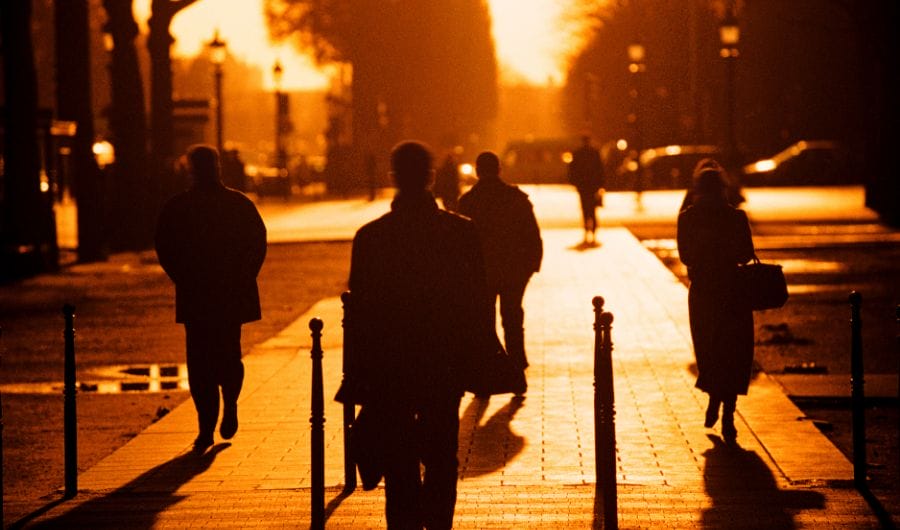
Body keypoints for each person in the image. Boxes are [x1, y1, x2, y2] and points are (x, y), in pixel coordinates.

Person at [344, 141, 493, 529]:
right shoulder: (460, 233)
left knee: (398, 458)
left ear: (393, 176)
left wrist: (360, 371)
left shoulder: (371, 238)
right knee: (442, 452)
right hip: (442, 359)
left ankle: (405, 523)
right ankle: (439, 521)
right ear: (430, 177)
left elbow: (359, 311)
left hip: (392, 364)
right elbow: (477, 299)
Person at [155, 144, 267, 453]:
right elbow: (257, 245)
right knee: (230, 353)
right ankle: (229, 402)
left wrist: (183, 277)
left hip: (197, 295)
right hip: (230, 294)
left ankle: (205, 427)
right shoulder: (239, 205)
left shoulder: (178, 208)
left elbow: (165, 248)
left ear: (190, 170)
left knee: (199, 362)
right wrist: (244, 277)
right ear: (219, 167)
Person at [676, 162, 755, 443]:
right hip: (733, 290)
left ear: (697, 190)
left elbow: (685, 256)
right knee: (734, 353)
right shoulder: (736, 217)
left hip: (703, 293)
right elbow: (746, 255)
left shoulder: (687, 218)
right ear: (723, 189)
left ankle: (713, 399)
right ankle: (729, 416)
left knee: (709, 351)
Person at [459, 151, 542, 393]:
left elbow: (460, 242)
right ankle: (517, 372)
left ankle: (485, 378)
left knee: (484, 324)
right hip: (513, 271)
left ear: (477, 171)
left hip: (481, 273)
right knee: (513, 320)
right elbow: (532, 235)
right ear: (499, 169)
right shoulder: (516, 198)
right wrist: (530, 266)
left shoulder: (468, 201)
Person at [567, 134, 605, 245]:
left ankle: (586, 232)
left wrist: (575, 183)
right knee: (593, 210)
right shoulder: (595, 153)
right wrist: (601, 184)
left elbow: (572, 170)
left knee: (584, 209)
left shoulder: (577, 153)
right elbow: (600, 169)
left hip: (582, 186)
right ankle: (593, 233)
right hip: (593, 186)